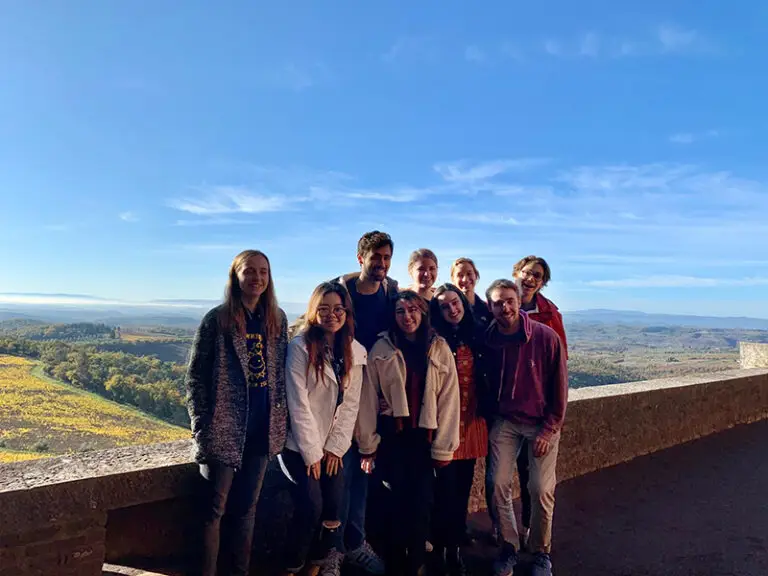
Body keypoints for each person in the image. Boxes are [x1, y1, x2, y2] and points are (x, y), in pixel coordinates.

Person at [185, 249, 288, 576]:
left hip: (261, 429)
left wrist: (279, 421)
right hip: (223, 429)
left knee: (246, 510)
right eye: (250, 271)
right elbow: (195, 377)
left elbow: (280, 376)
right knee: (213, 511)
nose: (257, 277)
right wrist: (201, 426)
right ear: (236, 276)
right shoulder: (217, 319)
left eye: (263, 271)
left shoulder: (277, 319)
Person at [358, 290, 460, 576]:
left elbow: (449, 399)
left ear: (423, 312)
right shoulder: (381, 348)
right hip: (392, 438)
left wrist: (444, 447)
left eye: (413, 310)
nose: (407, 316)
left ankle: (415, 564)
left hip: (424, 440)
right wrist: (367, 444)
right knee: (393, 505)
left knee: (421, 504)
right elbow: (367, 399)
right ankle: (395, 564)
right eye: (400, 311)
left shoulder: (438, 347)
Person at [483, 279, 568, 576]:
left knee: (541, 488)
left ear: (519, 302)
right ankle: (509, 545)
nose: (504, 307)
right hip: (506, 421)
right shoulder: (489, 339)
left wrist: (549, 429)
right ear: (490, 307)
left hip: (541, 421)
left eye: (509, 301)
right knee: (497, 483)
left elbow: (560, 388)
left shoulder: (545, 337)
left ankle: (541, 551)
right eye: (498, 303)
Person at [283, 282, 367, 576]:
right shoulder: (300, 347)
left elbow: (351, 404)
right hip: (300, 445)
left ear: (347, 312)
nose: (332, 314)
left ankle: (316, 565)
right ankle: (291, 566)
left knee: (334, 508)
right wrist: (313, 453)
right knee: (310, 508)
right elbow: (298, 403)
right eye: (324, 308)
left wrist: (335, 448)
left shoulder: (355, 351)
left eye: (338, 308)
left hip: (332, 445)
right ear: (313, 311)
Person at [335, 230, 399, 574]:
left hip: (376, 393)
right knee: (342, 473)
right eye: (376, 257)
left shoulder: (392, 293)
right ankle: (335, 549)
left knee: (365, 470)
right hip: (342, 391)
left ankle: (357, 543)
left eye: (387, 258)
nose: (382, 264)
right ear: (361, 258)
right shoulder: (341, 292)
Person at [509, 256, 568, 550]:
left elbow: (560, 364)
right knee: (498, 479)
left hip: (538, 411)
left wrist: (552, 419)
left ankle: (531, 533)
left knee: (534, 480)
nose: (530, 279)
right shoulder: (500, 305)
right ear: (516, 273)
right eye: (526, 272)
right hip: (505, 411)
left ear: (543, 282)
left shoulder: (550, 314)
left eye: (537, 275)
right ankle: (504, 532)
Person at [429, 284, 489, 576]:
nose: (452, 309)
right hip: (445, 424)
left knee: (462, 488)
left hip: (472, 421)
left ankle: (453, 543)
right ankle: (442, 547)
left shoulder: (477, 334)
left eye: (455, 303)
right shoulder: (434, 340)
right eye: (444, 306)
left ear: (464, 304)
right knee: (444, 491)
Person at [450, 257, 491, 326]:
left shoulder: (487, 309)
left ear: (476, 276)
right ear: (453, 279)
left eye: (469, 274)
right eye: (460, 275)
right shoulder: (450, 309)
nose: (465, 279)